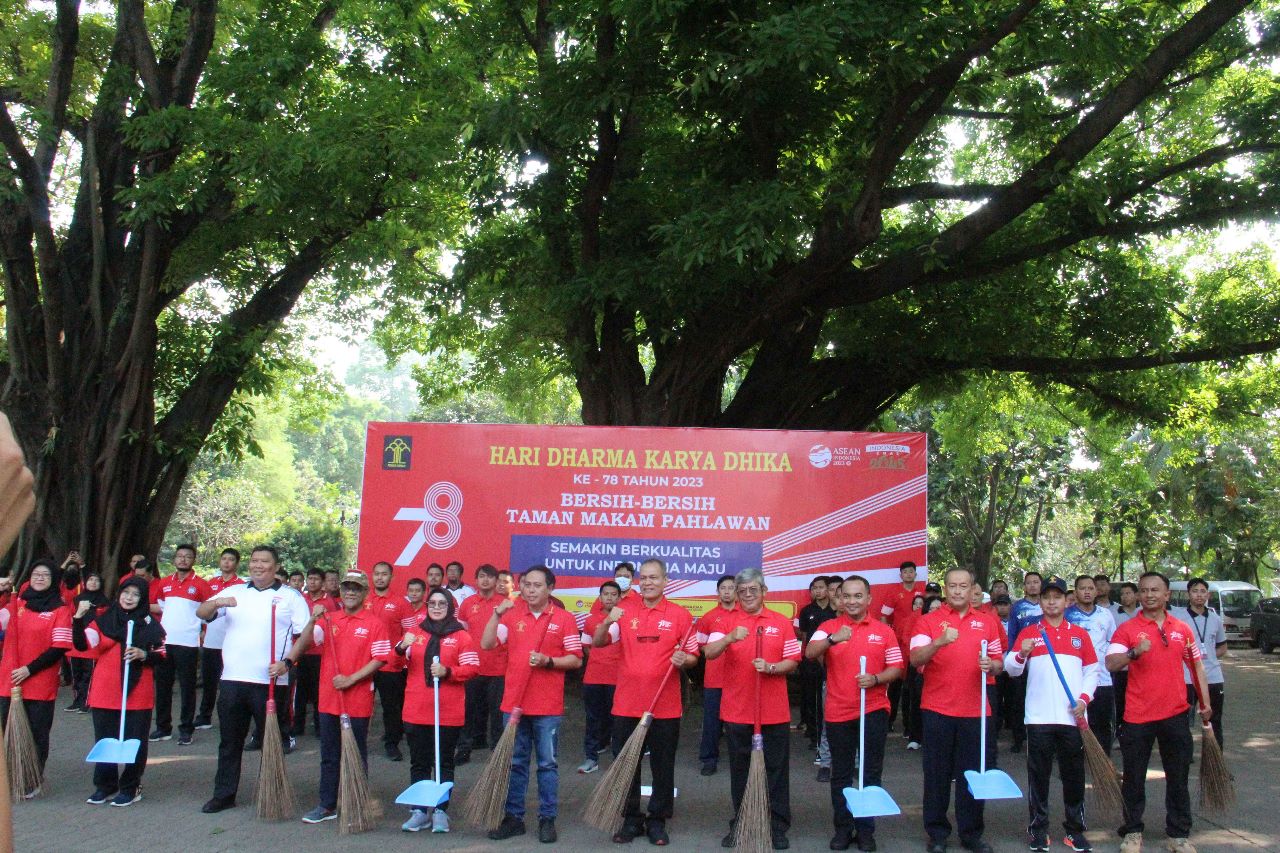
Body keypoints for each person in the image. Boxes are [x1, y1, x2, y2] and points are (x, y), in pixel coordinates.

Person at [195, 545, 310, 813]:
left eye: (265, 561)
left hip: (270, 682)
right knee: (229, 741)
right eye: (254, 560)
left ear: (276, 566)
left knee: (271, 742)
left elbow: (306, 633)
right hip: (233, 679)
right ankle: (224, 795)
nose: (258, 565)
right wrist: (217, 603)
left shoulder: (290, 596)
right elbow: (202, 613)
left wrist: (287, 662)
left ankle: (273, 794)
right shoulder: (235, 592)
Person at [592, 559, 699, 845]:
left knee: (663, 765)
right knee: (627, 764)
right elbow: (599, 642)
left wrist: (684, 659)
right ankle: (631, 819)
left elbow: (693, 655)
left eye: (654, 577)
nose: (649, 582)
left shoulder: (679, 615)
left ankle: (657, 820)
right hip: (626, 704)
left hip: (665, 706)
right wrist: (607, 620)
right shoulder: (624, 611)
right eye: (645, 578)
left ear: (665, 581)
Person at [1106, 572, 1211, 853]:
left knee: (1178, 776)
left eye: (1155, 590)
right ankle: (1132, 832)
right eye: (1144, 590)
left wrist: (1205, 702)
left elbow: (1197, 666)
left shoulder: (1182, 629)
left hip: (1175, 714)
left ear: (1167, 595)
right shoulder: (1127, 629)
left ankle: (1178, 835)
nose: (1149, 595)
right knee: (1133, 777)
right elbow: (1111, 663)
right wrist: (1133, 653)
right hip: (1137, 715)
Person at [481, 565, 583, 843]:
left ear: (550, 588)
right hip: (514, 703)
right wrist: (496, 615)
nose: (531, 590)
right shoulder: (511, 615)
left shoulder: (563, 618)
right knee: (515, 763)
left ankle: (547, 819)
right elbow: (487, 644)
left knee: (547, 765)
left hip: (547, 707)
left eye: (537, 585)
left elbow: (575, 659)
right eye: (527, 584)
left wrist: (549, 661)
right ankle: (513, 818)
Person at [703, 567, 802, 851]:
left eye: (753, 590)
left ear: (764, 592)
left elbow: (793, 660)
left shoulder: (780, 622)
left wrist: (771, 668)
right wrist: (728, 638)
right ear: (736, 593)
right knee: (740, 770)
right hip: (737, 710)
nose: (747, 595)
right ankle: (742, 821)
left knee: (776, 770)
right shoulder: (726, 622)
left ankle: (777, 825)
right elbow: (708, 653)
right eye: (742, 591)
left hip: (773, 712)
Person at [281, 571, 390, 825]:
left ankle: (355, 804)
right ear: (340, 591)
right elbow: (307, 643)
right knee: (329, 754)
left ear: (364, 593)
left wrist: (351, 679)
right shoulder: (329, 619)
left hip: (357, 700)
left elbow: (380, 659)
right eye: (347, 587)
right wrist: (312, 620)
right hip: (329, 699)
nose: (351, 592)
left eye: (356, 588)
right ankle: (327, 804)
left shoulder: (375, 623)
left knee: (356, 754)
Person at [910, 567, 1006, 853]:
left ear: (973, 589)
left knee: (973, 774)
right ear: (946, 589)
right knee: (936, 774)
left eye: (963, 586)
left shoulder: (988, 621)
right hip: (937, 709)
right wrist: (939, 642)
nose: (957, 591)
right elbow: (915, 659)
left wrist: (992, 665)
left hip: (976, 710)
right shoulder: (928, 621)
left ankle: (971, 833)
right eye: (952, 586)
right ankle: (937, 833)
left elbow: (999, 662)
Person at [807, 576, 904, 852]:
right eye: (846, 596)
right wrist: (832, 639)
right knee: (841, 773)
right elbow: (810, 652)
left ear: (868, 599)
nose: (851, 601)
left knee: (870, 772)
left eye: (857, 596)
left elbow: (896, 667)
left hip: (873, 709)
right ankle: (842, 828)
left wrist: (875, 679)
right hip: (839, 710)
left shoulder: (883, 631)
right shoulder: (829, 627)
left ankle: (865, 831)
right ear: (839, 599)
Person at [1006, 578, 1099, 852]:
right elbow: (1011, 669)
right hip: (1038, 718)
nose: (1051, 602)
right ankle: (1038, 830)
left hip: (1072, 718)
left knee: (1074, 777)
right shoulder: (1029, 632)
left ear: (1066, 601)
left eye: (1057, 597)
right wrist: (1021, 654)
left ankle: (1075, 830)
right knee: (1038, 777)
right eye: (1046, 597)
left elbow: (1092, 671)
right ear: (1041, 601)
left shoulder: (1080, 634)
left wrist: (1084, 699)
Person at [74, 575, 167, 806]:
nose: (129, 598)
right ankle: (105, 785)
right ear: (119, 594)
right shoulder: (104, 620)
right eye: (126, 592)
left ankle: (131, 786)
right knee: (105, 738)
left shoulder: (150, 625)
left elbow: (163, 654)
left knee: (135, 741)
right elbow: (83, 643)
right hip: (105, 690)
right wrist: (77, 619)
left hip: (137, 692)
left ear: (142, 599)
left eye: (136, 594)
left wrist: (144, 654)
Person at [398, 586, 479, 832]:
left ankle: (441, 810)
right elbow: (394, 663)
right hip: (416, 708)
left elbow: (472, 668)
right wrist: (401, 648)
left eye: (441, 603)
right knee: (419, 762)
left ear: (450, 607)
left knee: (443, 763)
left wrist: (448, 671)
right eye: (432, 603)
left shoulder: (461, 636)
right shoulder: (415, 632)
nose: (436, 607)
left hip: (447, 710)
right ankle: (420, 810)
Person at [0, 558, 73, 796]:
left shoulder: (60, 610)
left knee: (36, 733)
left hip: (39, 683)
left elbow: (59, 648)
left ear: (54, 580)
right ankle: (8, 777)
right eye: (35, 574)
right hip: (9, 680)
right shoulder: (17, 603)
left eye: (45, 575)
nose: (40, 578)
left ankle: (31, 779)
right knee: (5, 729)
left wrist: (29, 669)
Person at [150, 544, 213, 746]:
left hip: (188, 643)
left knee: (187, 688)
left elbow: (210, 612)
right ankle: (163, 728)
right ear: (174, 559)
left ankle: (186, 729)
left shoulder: (202, 585)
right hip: (164, 641)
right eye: (180, 556)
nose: (183, 559)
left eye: (187, 556)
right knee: (162, 687)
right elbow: (162, 607)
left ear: (193, 560)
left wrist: (203, 630)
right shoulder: (164, 582)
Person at [456, 563, 507, 764]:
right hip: (472, 666)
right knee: (468, 711)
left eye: (490, 577)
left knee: (497, 714)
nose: (485, 580)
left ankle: (497, 754)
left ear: (496, 581)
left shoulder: (505, 604)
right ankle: (464, 749)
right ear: (476, 580)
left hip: (498, 668)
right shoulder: (467, 603)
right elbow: (460, 633)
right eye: (482, 576)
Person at [1066, 575, 1118, 754]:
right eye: (1082, 588)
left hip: (1102, 678)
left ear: (1096, 591)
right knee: (1075, 723)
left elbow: (1112, 642)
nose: (1087, 592)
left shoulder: (1106, 615)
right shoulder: (1067, 615)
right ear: (1075, 592)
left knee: (1102, 724)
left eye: (1090, 588)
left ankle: (1102, 760)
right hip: (1075, 679)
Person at [1172, 577, 1227, 747]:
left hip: (1213, 677)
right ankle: (1184, 758)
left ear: (1208, 595)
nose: (1199, 595)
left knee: (1214, 720)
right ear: (1188, 594)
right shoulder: (1178, 618)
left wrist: (1207, 657)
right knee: (1183, 721)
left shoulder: (1215, 618)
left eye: (1203, 591)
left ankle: (1215, 759)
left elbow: (1222, 647)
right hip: (1186, 678)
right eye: (1195, 591)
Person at [367, 560, 410, 761]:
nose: (380, 577)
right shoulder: (363, 599)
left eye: (384, 574)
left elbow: (410, 632)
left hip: (390, 665)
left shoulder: (401, 603)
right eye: (376, 573)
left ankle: (392, 744)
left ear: (391, 577)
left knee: (391, 708)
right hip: (364, 664)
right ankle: (356, 741)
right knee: (360, 704)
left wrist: (399, 653)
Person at [196, 549, 244, 731]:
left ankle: (231, 717)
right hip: (211, 640)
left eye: (231, 559)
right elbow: (203, 611)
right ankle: (204, 716)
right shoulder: (210, 584)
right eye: (224, 558)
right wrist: (202, 630)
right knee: (209, 682)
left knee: (230, 684)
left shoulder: (241, 586)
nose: (227, 562)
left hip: (231, 643)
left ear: (237, 563)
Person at [578, 579, 621, 774]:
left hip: (617, 678)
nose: (609, 598)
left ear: (619, 598)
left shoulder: (625, 619)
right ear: (600, 597)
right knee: (593, 718)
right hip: (593, 677)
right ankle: (591, 758)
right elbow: (587, 646)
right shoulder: (590, 620)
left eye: (613, 594)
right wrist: (599, 659)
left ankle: (618, 760)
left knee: (618, 720)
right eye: (606, 594)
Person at [697, 573, 737, 775]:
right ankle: (709, 759)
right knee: (712, 722)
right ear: (718, 592)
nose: (727, 592)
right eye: (723, 588)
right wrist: (719, 647)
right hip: (715, 678)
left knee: (738, 723)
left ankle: (742, 759)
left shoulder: (745, 615)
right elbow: (701, 646)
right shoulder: (709, 617)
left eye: (731, 588)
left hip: (740, 679)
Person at [880, 561, 926, 739]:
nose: (908, 574)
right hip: (899, 643)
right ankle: (889, 721)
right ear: (901, 575)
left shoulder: (922, 592)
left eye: (911, 571)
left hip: (918, 643)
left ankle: (910, 726)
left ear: (916, 574)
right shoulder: (894, 592)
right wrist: (888, 635)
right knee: (895, 684)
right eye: (905, 572)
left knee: (912, 685)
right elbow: (884, 615)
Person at [293, 567, 339, 737]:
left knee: (318, 691)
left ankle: (320, 727)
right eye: (310, 579)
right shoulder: (300, 599)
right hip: (300, 651)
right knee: (300, 692)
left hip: (320, 653)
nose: (312, 582)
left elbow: (335, 626)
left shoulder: (330, 602)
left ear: (323, 582)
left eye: (316, 579)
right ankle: (298, 726)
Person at [1006, 571, 1045, 753]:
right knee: (1019, 701)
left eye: (1036, 582)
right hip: (1022, 659)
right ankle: (1018, 738)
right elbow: (1012, 634)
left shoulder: (1047, 605)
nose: (1032, 585)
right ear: (1024, 586)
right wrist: (1012, 658)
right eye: (1029, 582)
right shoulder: (1017, 607)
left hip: (1042, 660)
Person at [797, 576, 832, 748]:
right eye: (814, 588)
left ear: (828, 589)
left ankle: (828, 735)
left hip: (831, 660)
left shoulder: (834, 611)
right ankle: (814, 735)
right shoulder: (806, 611)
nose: (818, 591)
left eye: (821, 587)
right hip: (810, 661)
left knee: (827, 700)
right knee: (812, 699)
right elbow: (803, 635)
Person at [66, 571, 109, 712]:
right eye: (90, 579)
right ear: (85, 582)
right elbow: (70, 617)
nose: (93, 582)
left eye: (96, 580)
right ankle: (77, 700)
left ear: (101, 584)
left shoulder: (105, 602)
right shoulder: (76, 599)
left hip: (93, 643)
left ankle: (87, 702)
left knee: (89, 674)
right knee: (76, 673)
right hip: (76, 641)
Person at [1112, 582, 1140, 735]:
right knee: (1120, 701)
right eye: (1122, 594)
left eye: (1128, 593)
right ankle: (1120, 732)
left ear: (1136, 595)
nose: (1124, 596)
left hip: (1141, 667)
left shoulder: (1143, 612)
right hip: (1121, 667)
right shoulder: (1113, 614)